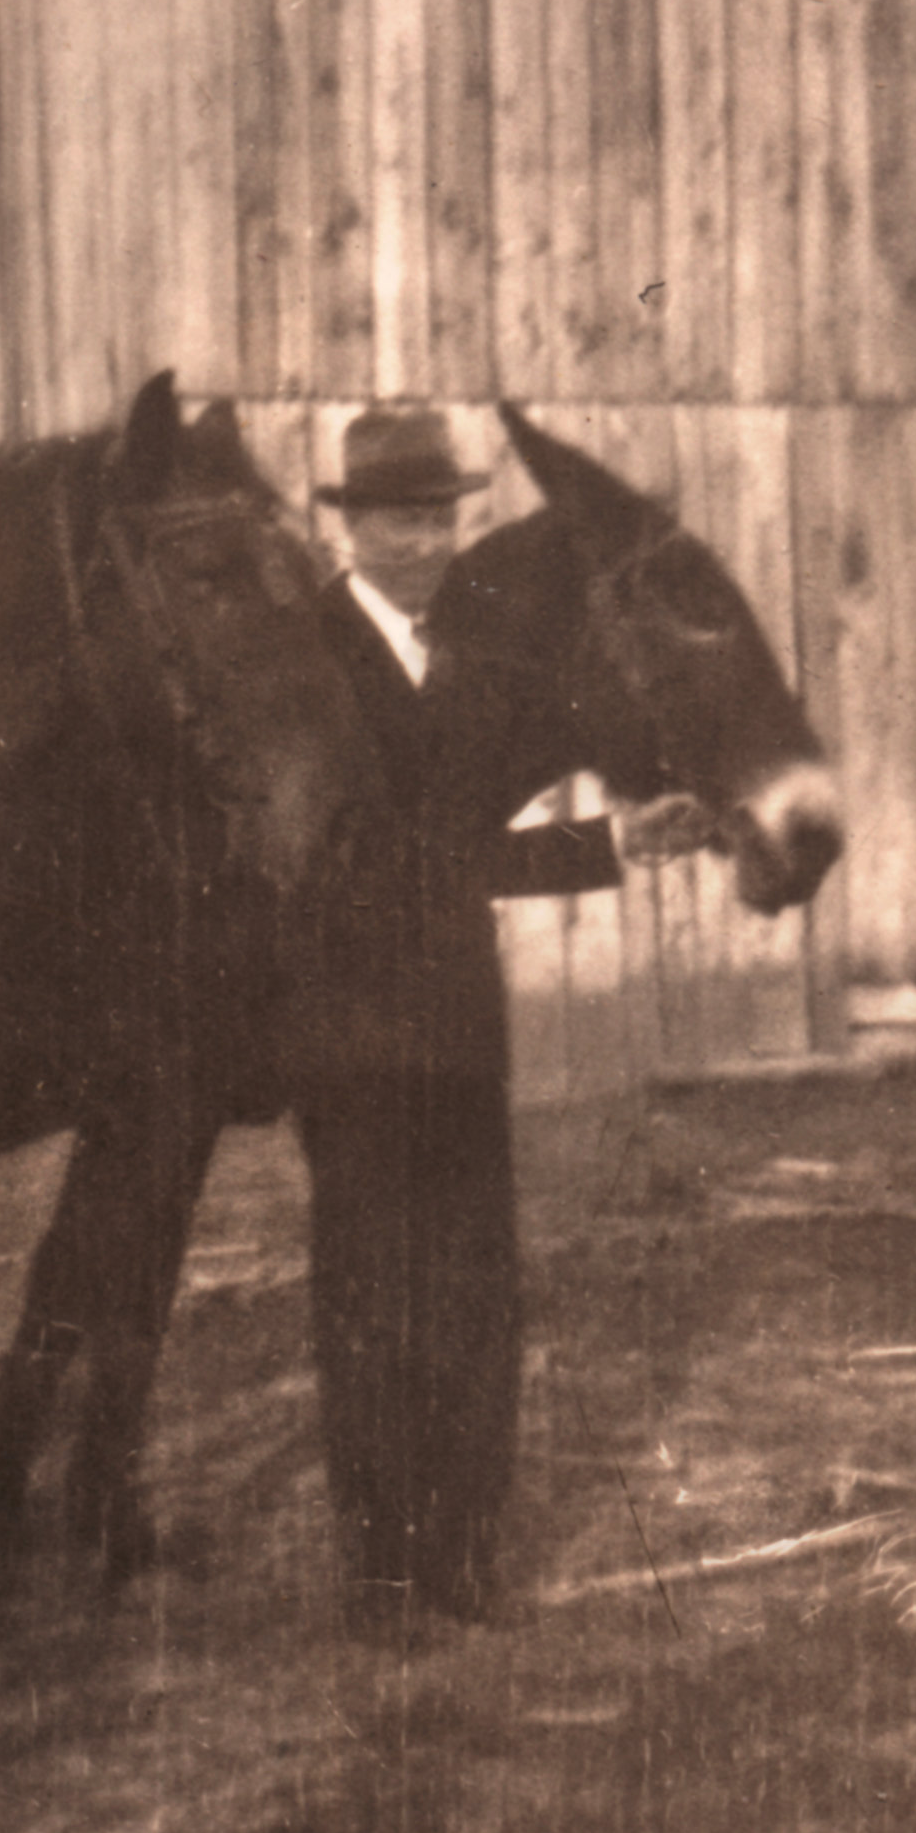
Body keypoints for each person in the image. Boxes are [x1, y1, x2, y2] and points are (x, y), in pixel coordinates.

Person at [296, 406, 618, 1619]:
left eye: (436, 516)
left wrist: (611, 838)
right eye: (394, 518)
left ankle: (465, 1556)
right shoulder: (305, 656)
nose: (419, 539)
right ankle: (381, 1569)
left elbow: (475, 841)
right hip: (351, 1041)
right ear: (351, 527)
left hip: (459, 1030)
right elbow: (382, 858)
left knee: (477, 1291)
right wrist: (586, 850)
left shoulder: (467, 651)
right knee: (374, 1296)